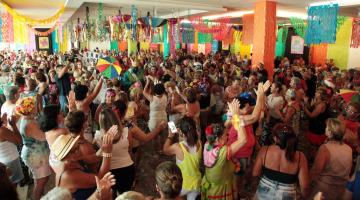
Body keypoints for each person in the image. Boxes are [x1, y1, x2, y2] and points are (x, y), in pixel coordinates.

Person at [201, 99, 248, 200]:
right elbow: (243, 139)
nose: (227, 136)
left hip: (210, 187)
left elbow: (225, 127)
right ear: (218, 139)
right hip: (219, 191)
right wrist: (236, 116)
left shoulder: (208, 144)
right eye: (225, 136)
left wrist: (231, 114)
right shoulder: (222, 152)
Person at [52, 130, 115, 200]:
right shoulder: (68, 175)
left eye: (77, 147)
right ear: (65, 157)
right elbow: (101, 180)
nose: (78, 151)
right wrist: (107, 153)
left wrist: (105, 144)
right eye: (74, 150)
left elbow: (93, 158)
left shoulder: (74, 159)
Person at [253, 124, 310, 199]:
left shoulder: (265, 150)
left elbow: (255, 173)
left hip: (264, 192)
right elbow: (304, 185)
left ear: (276, 138)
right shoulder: (300, 157)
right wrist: (304, 196)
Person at [17, 97, 51, 200]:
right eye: (34, 105)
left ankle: (40, 195)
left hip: (37, 153)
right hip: (36, 156)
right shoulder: (29, 123)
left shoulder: (29, 119)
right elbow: (44, 137)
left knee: (40, 179)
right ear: (30, 109)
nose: (37, 106)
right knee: (42, 180)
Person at [310, 118, 353, 200]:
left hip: (324, 191)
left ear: (330, 131)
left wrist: (306, 186)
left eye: (326, 127)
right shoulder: (348, 148)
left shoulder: (325, 148)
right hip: (341, 189)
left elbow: (316, 171)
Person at [163, 116, 202, 200]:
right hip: (197, 183)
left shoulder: (178, 147)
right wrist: (181, 132)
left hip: (183, 185)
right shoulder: (199, 142)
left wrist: (170, 136)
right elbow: (192, 135)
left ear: (182, 134)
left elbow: (165, 150)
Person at [73, 78, 103, 142]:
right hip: (86, 132)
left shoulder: (76, 100)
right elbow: (95, 92)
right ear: (84, 94)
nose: (88, 93)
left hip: (82, 129)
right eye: (87, 92)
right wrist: (101, 79)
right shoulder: (83, 103)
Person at [0, 113, 23, 185]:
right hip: (10, 160)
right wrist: (13, 125)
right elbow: (19, 141)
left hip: (3, 160)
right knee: (13, 185)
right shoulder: (2, 130)